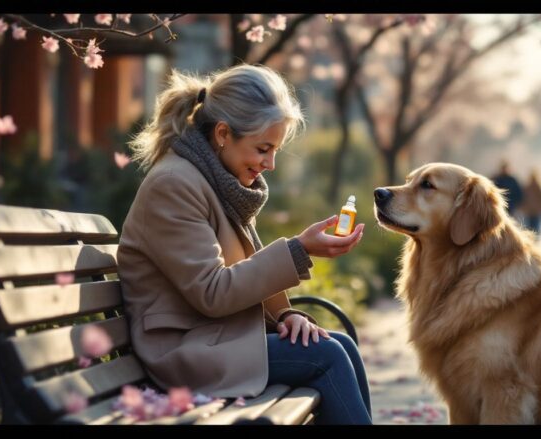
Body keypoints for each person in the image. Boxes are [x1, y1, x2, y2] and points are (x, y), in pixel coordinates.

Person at [117, 65, 372, 424]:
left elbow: (240, 269)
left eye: (275, 150)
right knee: (327, 355)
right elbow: (213, 291)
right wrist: (300, 249)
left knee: (338, 345)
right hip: (182, 352)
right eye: (263, 149)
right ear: (223, 134)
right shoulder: (174, 185)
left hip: (214, 338)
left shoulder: (215, 177)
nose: (270, 163)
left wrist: (285, 315)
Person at [521, 169, 541, 238]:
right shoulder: (527, 187)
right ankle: (531, 240)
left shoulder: (538, 187)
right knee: (530, 227)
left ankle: (534, 240)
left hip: (535, 211)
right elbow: (523, 198)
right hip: (530, 211)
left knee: (534, 227)